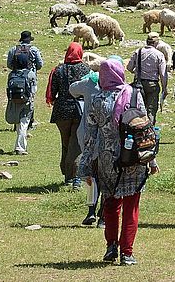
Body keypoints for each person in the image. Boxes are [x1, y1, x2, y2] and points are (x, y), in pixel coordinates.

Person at [79, 58, 158, 266]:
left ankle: (111, 246)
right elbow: (144, 129)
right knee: (131, 206)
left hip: (107, 161)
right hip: (133, 159)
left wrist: (85, 164)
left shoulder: (97, 99)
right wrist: (152, 159)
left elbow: (90, 136)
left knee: (111, 204)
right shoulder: (134, 94)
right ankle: (128, 252)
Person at [47, 42, 90, 189]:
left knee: (65, 143)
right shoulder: (86, 69)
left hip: (61, 111)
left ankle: (67, 174)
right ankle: (76, 178)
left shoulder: (58, 70)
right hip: (80, 109)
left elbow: (52, 92)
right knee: (76, 144)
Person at [69, 60, 102, 226]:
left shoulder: (90, 82)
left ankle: (91, 211)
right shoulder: (121, 87)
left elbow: (72, 89)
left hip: (89, 136)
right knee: (107, 177)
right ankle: (103, 215)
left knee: (92, 175)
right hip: (110, 140)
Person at [126, 34, 169, 126]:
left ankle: (138, 129)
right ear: (156, 43)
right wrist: (165, 88)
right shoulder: (159, 54)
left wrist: (136, 72)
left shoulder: (138, 51)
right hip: (152, 85)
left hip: (138, 84)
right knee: (151, 109)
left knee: (138, 109)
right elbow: (163, 74)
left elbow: (129, 67)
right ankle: (149, 132)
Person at [7, 31, 44, 128]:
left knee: (15, 96)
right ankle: (29, 122)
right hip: (30, 76)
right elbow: (40, 64)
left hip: (15, 76)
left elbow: (9, 64)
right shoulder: (34, 49)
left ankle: (16, 122)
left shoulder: (13, 49)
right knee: (30, 98)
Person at [5, 51, 36, 155]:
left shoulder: (12, 74)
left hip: (14, 101)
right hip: (26, 102)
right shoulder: (30, 74)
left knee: (18, 124)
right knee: (24, 124)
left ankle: (20, 145)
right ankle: (20, 147)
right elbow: (34, 89)